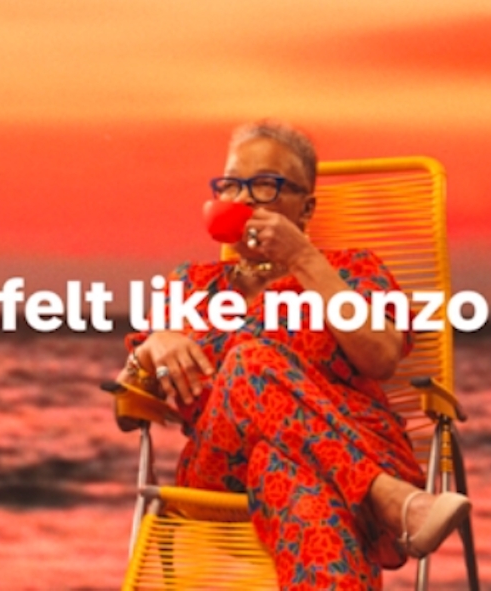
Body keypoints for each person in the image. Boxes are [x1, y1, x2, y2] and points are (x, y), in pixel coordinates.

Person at [115, 120, 471, 590]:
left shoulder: (352, 270)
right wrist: (153, 344)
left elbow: (382, 357)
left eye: (264, 186)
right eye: (231, 185)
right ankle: (389, 500)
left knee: (293, 479)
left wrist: (304, 261)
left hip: (334, 455)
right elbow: (126, 409)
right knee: (249, 361)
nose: (242, 200)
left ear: (306, 208)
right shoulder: (189, 285)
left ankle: (374, 494)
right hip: (220, 469)